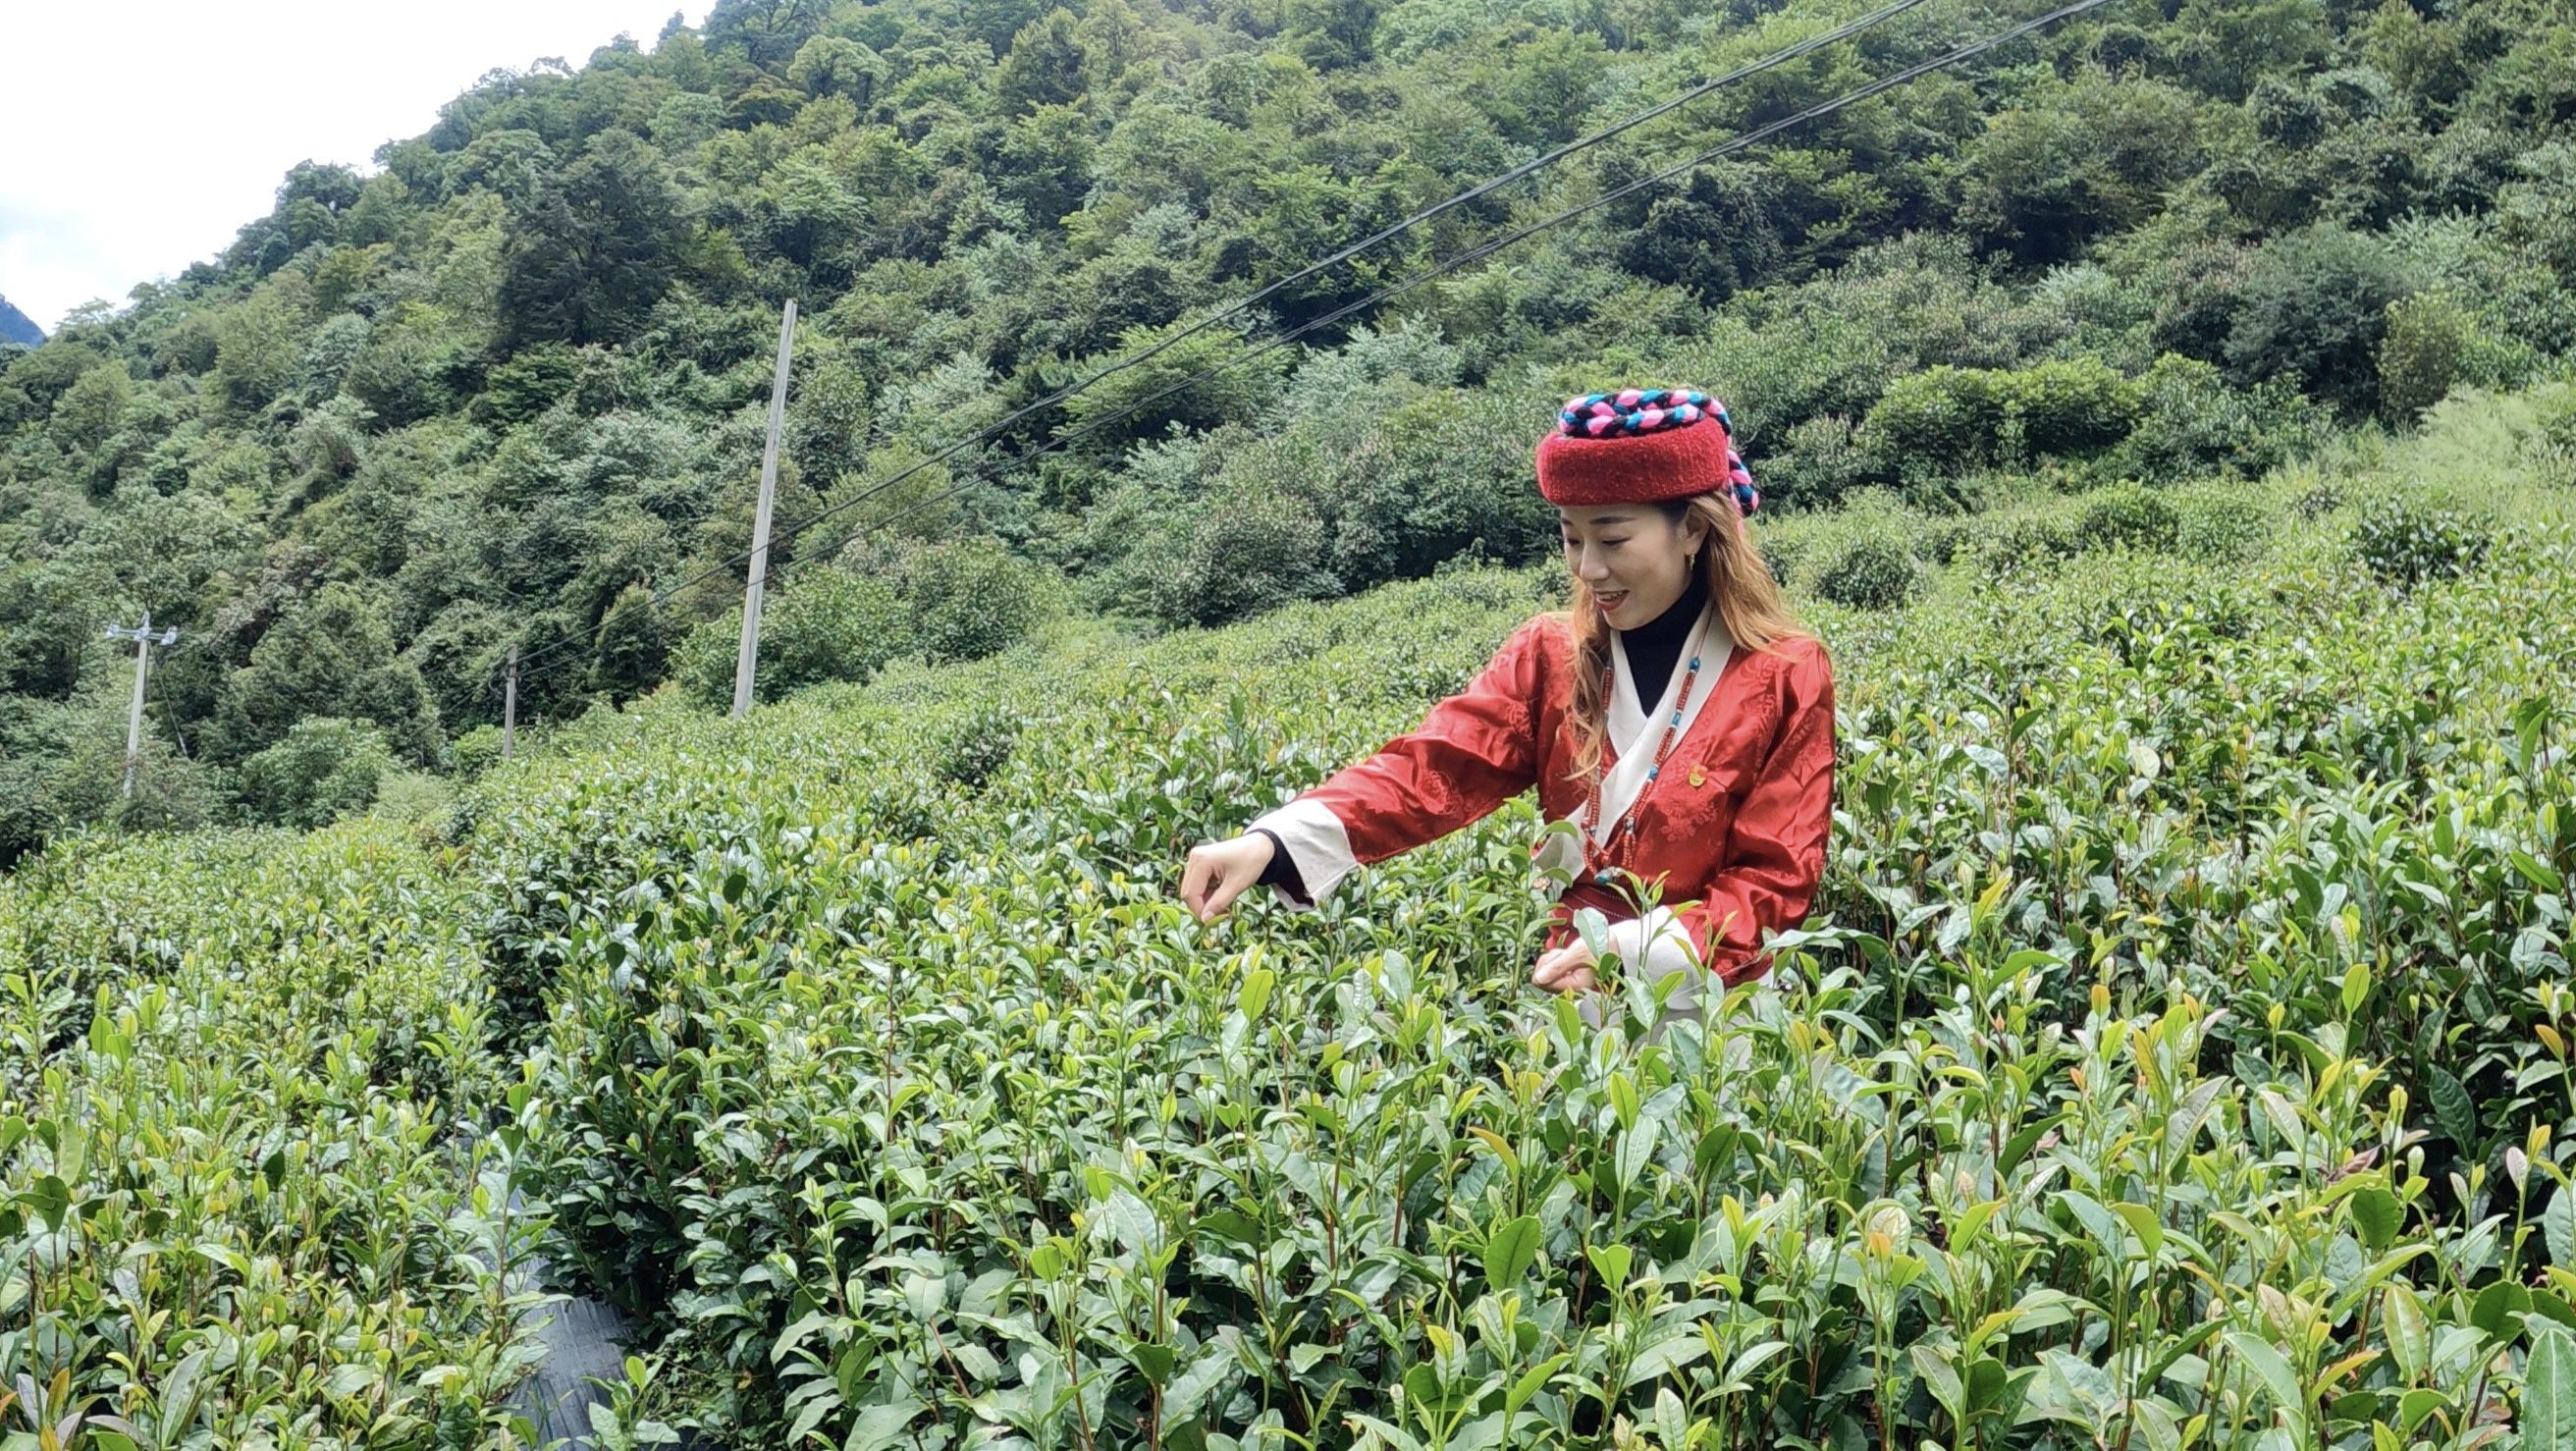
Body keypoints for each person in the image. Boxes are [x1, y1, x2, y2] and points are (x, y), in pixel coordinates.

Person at [1178, 388, 1836, 1013]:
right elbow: (1435, 767)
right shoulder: (1549, 655)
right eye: (1571, 538)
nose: (1588, 568)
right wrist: (1276, 841)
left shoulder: (1783, 674)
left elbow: (1775, 878)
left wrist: (1629, 953)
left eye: (1612, 540)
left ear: (1691, 529)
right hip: (1573, 997)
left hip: (1719, 1007)